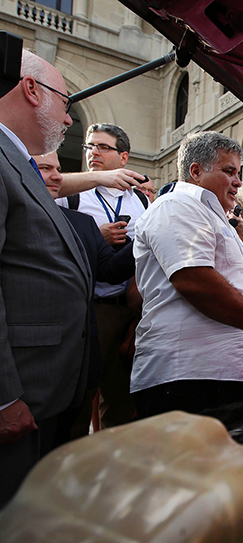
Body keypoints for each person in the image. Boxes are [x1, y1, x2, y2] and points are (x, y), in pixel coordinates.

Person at [131, 131, 243, 417]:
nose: (238, 182)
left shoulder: (211, 215)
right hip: (189, 378)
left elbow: (227, 284)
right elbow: (196, 281)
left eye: (239, 172)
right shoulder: (176, 206)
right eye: (229, 171)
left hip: (220, 377)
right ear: (196, 171)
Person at [0, 50, 92, 506]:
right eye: (66, 101)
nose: (70, 119)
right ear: (32, 90)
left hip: (44, 390)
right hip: (18, 395)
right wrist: (2, 397)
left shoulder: (17, 160)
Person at [35, 152, 136, 440]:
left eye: (58, 168)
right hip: (36, 344)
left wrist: (145, 236)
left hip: (88, 328)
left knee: (96, 404)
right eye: (45, 168)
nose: (56, 175)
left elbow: (110, 271)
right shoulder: (21, 212)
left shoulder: (83, 223)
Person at [60, 123, 148, 429]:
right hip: (90, 309)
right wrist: (94, 236)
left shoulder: (141, 201)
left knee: (122, 397)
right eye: (89, 146)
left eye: (102, 147)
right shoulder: (72, 195)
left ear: (123, 157)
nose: (93, 152)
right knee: (81, 396)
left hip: (130, 309)